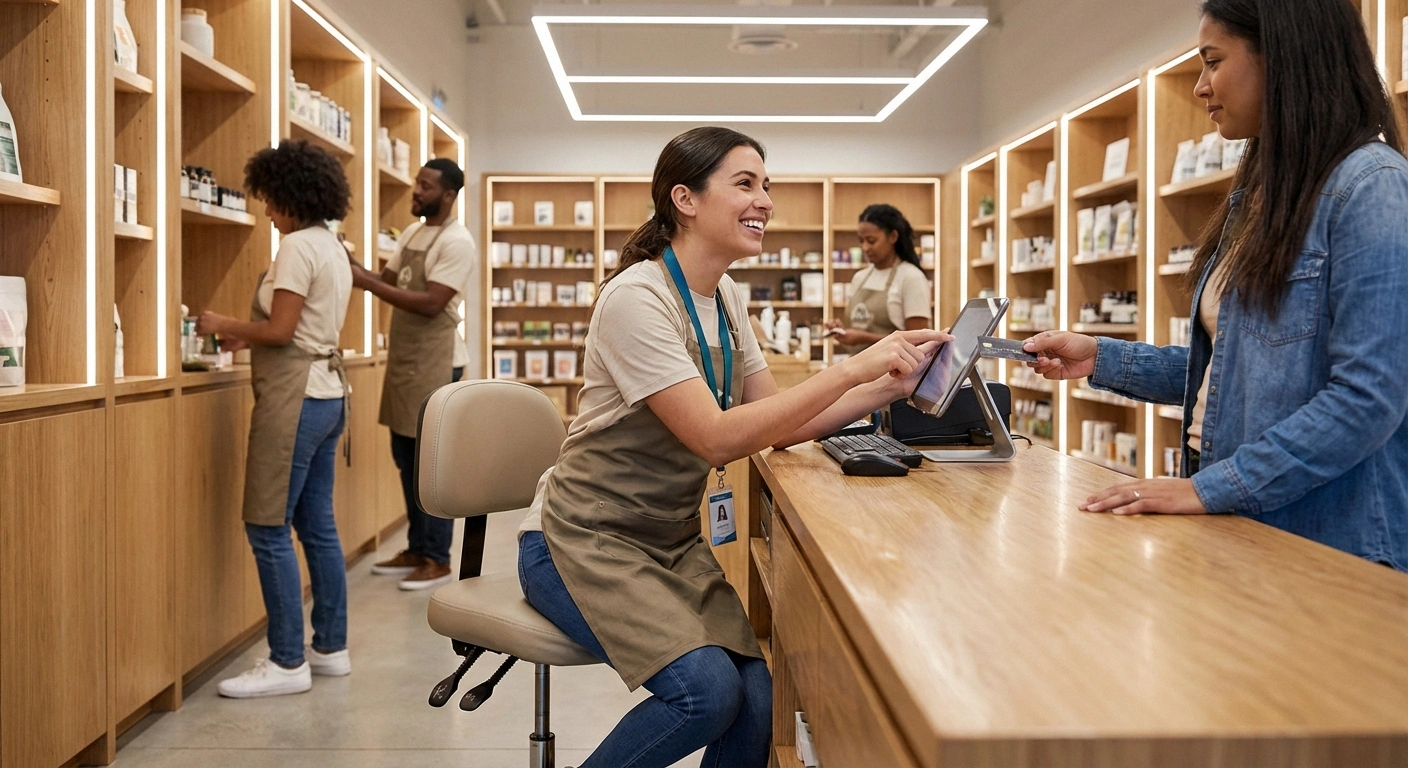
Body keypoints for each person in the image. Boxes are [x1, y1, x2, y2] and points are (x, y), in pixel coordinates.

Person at [516, 126, 948, 767]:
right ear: (685, 199)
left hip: (667, 540)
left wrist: (889, 386)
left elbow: (776, 422)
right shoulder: (636, 297)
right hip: (583, 540)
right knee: (706, 696)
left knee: (757, 703)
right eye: (745, 184)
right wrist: (854, 369)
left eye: (766, 186)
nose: (766, 201)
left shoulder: (726, 297)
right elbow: (715, 436)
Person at [1024, 0, 1408, 570]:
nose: (1201, 87)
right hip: (1243, 518)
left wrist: (1211, 487)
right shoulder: (1259, 198)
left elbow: (1368, 399)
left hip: (1330, 539)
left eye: (1212, 61)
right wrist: (1100, 358)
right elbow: (1237, 373)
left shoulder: (1372, 189)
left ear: (1283, 59)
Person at [196, 140, 355, 697]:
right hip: (328, 394)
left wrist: (223, 323)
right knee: (317, 526)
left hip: (296, 399)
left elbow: (282, 330)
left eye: (269, 200)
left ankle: (287, 660)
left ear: (290, 195)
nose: (266, 211)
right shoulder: (331, 245)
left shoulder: (294, 249)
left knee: (266, 526)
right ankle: (331, 648)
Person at [349, 158, 475, 591]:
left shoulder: (458, 242)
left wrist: (364, 283)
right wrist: (351, 265)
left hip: (437, 361)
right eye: (417, 183)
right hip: (406, 360)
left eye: (425, 185)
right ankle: (417, 547)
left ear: (449, 195)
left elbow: (430, 303)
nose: (416, 191)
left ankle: (438, 558)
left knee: (431, 464)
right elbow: (386, 279)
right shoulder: (411, 232)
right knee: (405, 458)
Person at [824, 203, 932, 354]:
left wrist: (864, 338)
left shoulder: (911, 278)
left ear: (893, 236)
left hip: (895, 373)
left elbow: (919, 340)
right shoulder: (859, 278)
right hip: (859, 372)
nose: (865, 247)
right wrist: (842, 332)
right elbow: (858, 328)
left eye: (871, 240)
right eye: (861, 241)